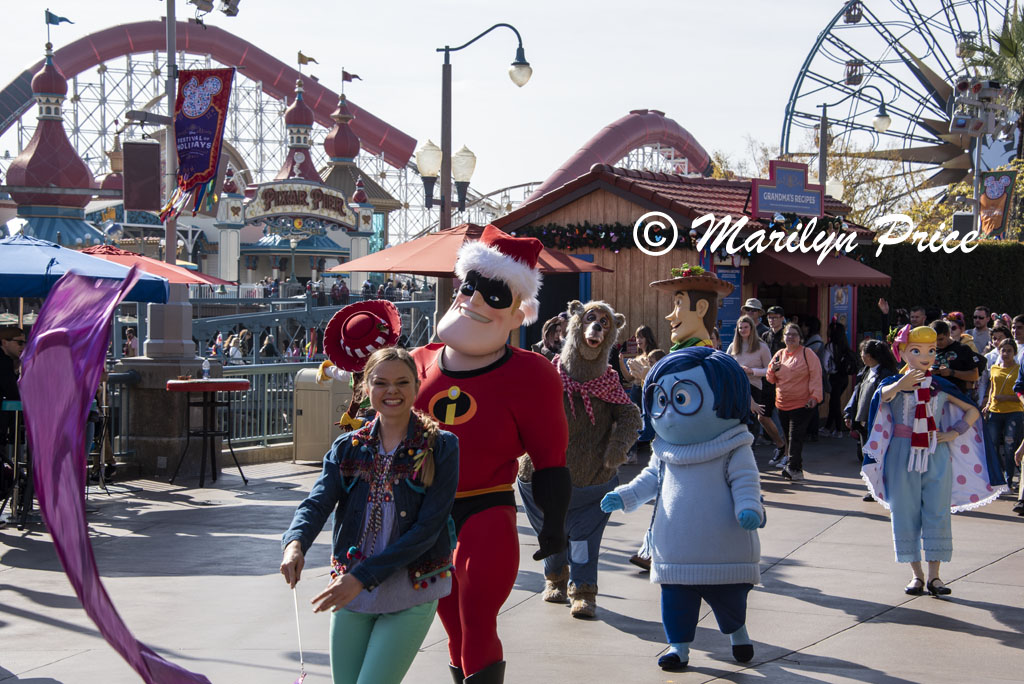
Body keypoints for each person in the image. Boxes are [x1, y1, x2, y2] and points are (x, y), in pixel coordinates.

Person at [410, 225, 570, 683]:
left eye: (496, 293)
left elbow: (551, 458)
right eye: (471, 286)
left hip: (486, 509)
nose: (476, 300)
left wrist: (554, 526)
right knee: (451, 624)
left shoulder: (532, 374)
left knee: (477, 614)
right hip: (425, 515)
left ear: (519, 312)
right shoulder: (419, 361)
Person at [280, 347, 459, 684]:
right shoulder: (347, 446)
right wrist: (295, 543)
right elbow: (318, 501)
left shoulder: (442, 446)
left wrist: (362, 577)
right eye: (381, 382)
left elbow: (427, 529)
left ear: (417, 386)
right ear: (364, 387)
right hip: (352, 589)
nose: (392, 391)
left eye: (402, 382)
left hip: (412, 587)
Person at [601, 348, 764, 672]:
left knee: (730, 602)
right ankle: (679, 647)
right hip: (675, 549)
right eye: (662, 401)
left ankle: (738, 633)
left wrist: (749, 509)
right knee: (676, 602)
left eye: (683, 399)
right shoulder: (664, 452)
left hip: (723, 549)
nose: (670, 413)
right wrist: (625, 496)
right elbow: (650, 480)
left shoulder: (734, 448)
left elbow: (746, 482)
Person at [862, 325, 1004, 596]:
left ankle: (936, 577)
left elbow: (971, 409)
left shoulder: (940, 385)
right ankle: (916, 576)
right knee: (905, 511)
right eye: (917, 350)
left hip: (935, 451)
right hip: (901, 453)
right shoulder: (892, 384)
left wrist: (953, 433)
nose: (925, 356)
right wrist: (899, 385)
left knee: (937, 510)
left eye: (930, 350)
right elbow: (880, 400)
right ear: (902, 352)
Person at [765, 323, 823, 482]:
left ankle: (792, 467)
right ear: (783, 337)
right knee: (789, 438)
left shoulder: (807, 353)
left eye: (794, 334)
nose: (790, 337)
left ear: (800, 338)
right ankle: (796, 469)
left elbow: (816, 376)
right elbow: (770, 379)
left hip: (803, 403)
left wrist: (814, 397)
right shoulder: (779, 354)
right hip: (782, 404)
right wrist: (773, 369)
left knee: (795, 436)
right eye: (788, 334)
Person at [844, 339, 898, 501]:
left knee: (877, 457)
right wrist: (849, 413)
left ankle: (878, 489)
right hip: (863, 421)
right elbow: (856, 394)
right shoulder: (866, 371)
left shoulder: (886, 374)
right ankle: (874, 488)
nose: (861, 356)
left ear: (871, 356)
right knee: (866, 455)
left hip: (878, 423)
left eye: (863, 353)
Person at [727, 315, 785, 453]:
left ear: (752, 328)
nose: (743, 330)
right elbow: (726, 364)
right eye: (740, 327)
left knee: (752, 422)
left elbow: (769, 370)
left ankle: (750, 454)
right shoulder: (733, 346)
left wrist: (751, 371)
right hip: (737, 387)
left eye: (746, 327)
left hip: (754, 387)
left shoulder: (761, 346)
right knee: (737, 422)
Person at [983, 338, 1021, 490]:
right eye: (1003, 350)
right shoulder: (994, 368)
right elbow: (992, 388)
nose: (1005, 354)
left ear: (1014, 352)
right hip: (995, 411)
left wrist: (1006, 398)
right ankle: (997, 477)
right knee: (992, 444)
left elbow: (1021, 393)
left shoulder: (1019, 369)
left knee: (1009, 446)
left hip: (1014, 411)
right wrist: (987, 404)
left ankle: (1009, 480)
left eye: (1009, 351)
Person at [823, 320, 857, 437]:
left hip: (834, 377)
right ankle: (828, 427)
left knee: (835, 404)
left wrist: (829, 371)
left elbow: (825, 364)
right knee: (834, 402)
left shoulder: (830, 346)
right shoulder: (845, 345)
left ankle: (838, 429)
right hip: (844, 379)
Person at [931, 319, 981, 395]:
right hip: (935, 395)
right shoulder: (930, 349)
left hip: (957, 396)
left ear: (948, 334)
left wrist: (951, 372)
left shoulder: (963, 349)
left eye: (940, 339)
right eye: (934, 340)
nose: (937, 343)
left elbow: (974, 375)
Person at [0, 327, 25, 449]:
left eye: (25, 343)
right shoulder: (3, 362)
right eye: (19, 343)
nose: (23, 347)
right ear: (4, 342)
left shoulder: (7, 361)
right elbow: (13, 393)